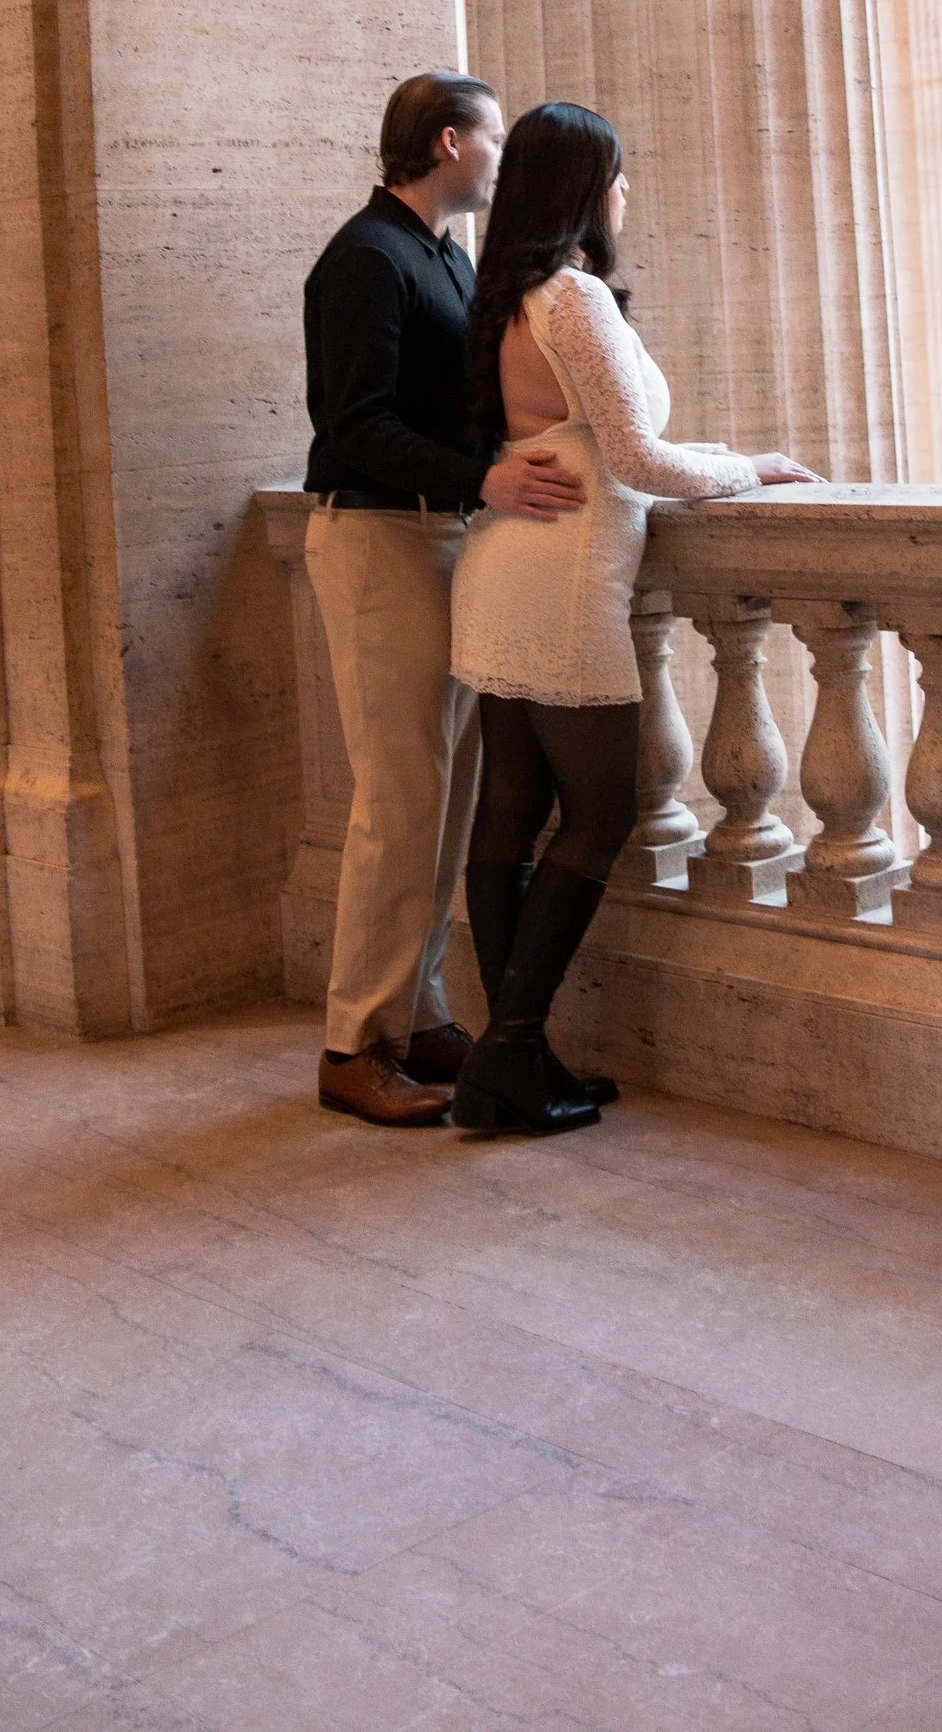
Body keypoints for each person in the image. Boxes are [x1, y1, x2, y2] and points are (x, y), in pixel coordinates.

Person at [447, 101, 820, 1135]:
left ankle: (504, 1054)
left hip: (500, 569)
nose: (627, 189)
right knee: (603, 811)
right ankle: (509, 1052)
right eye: (618, 171)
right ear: (582, 185)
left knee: (510, 813)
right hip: (564, 577)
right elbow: (640, 460)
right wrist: (752, 466)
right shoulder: (571, 296)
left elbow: (586, 436)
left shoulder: (509, 294)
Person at [302, 72, 586, 1126]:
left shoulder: (443, 256)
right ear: (448, 139)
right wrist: (487, 479)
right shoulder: (364, 258)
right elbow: (351, 426)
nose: (503, 155)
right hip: (378, 536)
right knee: (397, 801)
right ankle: (351, 1042)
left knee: (446, 796)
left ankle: (415, 1014)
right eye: (494, 137)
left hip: (438, 539)